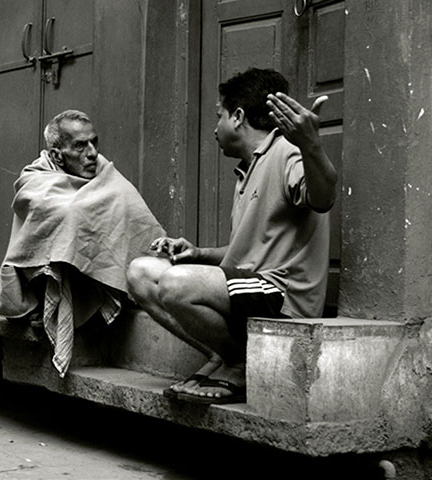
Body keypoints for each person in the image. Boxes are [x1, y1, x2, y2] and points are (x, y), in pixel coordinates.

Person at [126, 68, 337, 404]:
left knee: (176, 284)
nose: (214, 127)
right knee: (140, 272)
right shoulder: (247, 168)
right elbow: (254, 249)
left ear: (238, 117)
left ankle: (238, 365)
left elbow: (323, 198)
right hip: (251, 284)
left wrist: (311, 144)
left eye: (219, 115)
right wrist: (198, 253)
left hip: (283, 293)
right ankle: (220, 355)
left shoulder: (287, 151)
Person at [0, 110, 165, 377]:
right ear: (58, 155)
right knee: (64, 221)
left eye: (94, 142)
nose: (92, 153)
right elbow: (42, 228)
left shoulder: (104, 171)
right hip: (48, 278)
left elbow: (136, 218)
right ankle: (47, 307)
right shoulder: (36, 178)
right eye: (80, 146)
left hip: (94, 281)